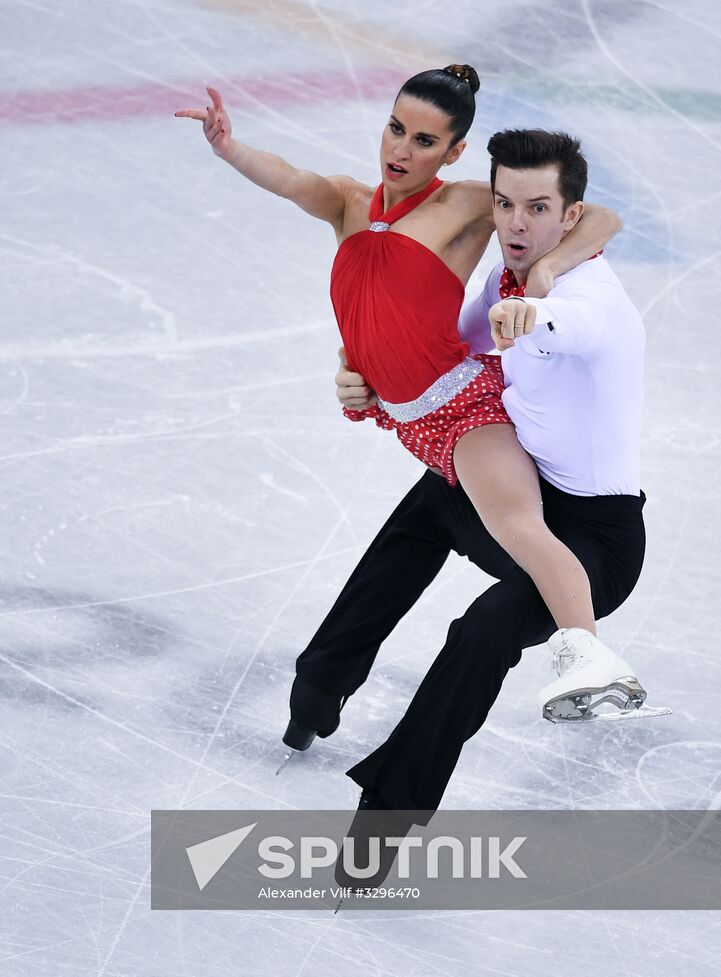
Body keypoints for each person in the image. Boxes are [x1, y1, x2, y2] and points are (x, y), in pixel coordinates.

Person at [175, 67, 632, 748]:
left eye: (424, 139)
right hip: (403, 417)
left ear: (450, 153)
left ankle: (588, 659)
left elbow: (599, 215)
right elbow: (288, 176)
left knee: (518, 527)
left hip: (462, 409)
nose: (401, 148)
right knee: (410, 546)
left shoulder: (463, 205)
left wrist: (545, 272)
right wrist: (228, 148)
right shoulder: (346, 202)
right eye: (395, 128)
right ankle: (316, 698)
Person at [299, 129, 660, 868]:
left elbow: (571, 325)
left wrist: (538, 312)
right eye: (504, 205)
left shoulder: (592, 305)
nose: (516, 224)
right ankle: (320, 684)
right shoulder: (507, 277)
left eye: (537, 208)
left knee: (483, 630)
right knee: (432, 499)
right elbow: (446, 351)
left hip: (596, 544)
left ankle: (385, 824)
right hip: (527, 499)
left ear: (569, 216)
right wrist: (361, 381)